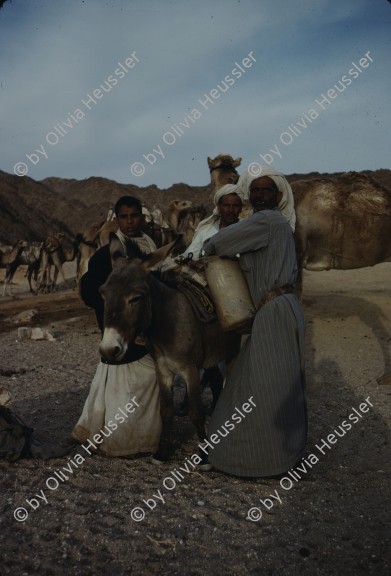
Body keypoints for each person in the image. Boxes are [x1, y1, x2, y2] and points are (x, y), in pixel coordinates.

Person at [202, 167, 307, 478]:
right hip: (281, 307)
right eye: (256, 191)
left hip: (273, 312)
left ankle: (258, 460)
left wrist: (209, 250)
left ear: (278, 196)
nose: (261, 195)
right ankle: (281, 455)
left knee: (264, 386)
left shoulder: (267, 220)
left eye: (267, 191)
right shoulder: (279, 224)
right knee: (275, 383)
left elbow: (217, 243)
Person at [72, 196, 162, 457]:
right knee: (123, 382)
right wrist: (114, 313)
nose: (130, 221)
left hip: (147, 328)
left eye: (134, 215)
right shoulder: (106, 255)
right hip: (121, 331)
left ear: (142, 218)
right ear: (117, 220)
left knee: (149, 377)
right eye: (124, 217)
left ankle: (144, 437)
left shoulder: (149, 247)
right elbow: (89, 291)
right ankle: (120, 441)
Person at [181, 184, 244, 260]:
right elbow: (189, 256)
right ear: (219, 208)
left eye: (235, 206)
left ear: (240, 208)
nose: (231, 210)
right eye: (226, 205)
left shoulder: (247, 232)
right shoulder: (204, 232)